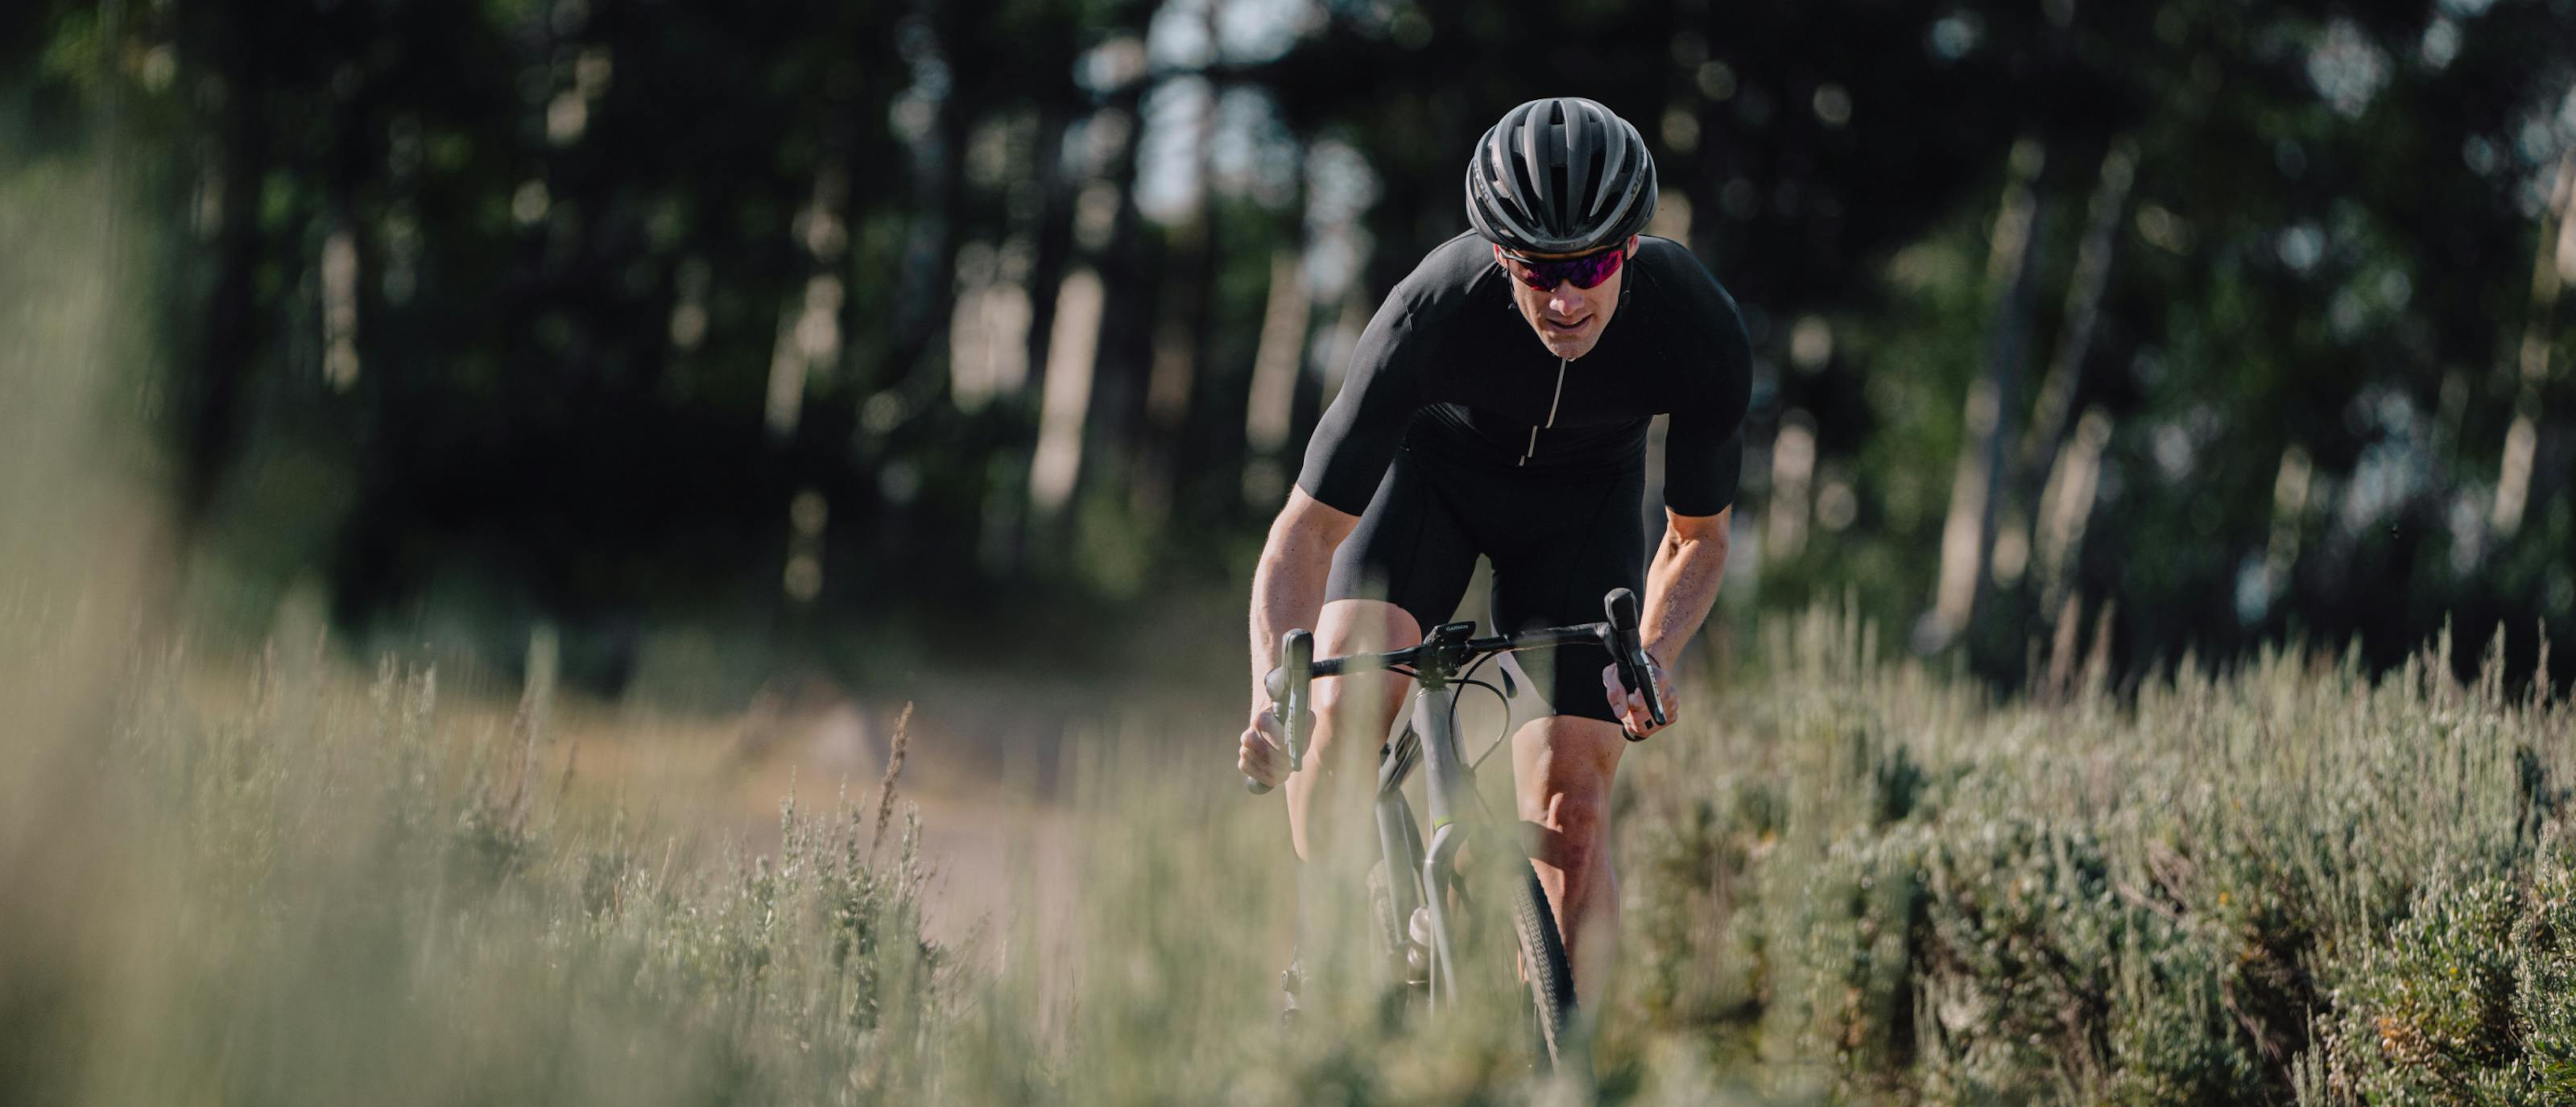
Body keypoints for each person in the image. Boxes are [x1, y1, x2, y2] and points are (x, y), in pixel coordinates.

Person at [1236, 96, 1751, 1010]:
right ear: (1499, 256)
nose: (1563, 297)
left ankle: (1560, 1067)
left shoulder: (1695, 325)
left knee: (1575, 812)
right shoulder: (1429, 312)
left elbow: (1698, 539)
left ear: (1627, 248)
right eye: (1535, 268)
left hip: (1582, 513)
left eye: (1588, 265)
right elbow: (1305, 533)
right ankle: (1324, 940)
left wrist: (1657, 653)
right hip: (1431, 488)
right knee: (1345, 714)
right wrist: (1270, 693)